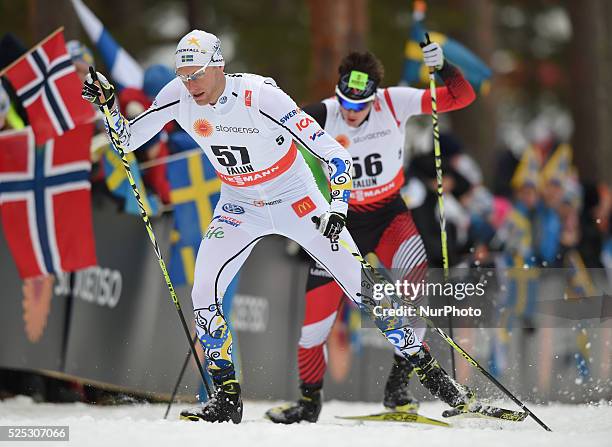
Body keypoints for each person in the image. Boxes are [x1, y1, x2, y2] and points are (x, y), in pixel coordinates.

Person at [82, 29, 477, 424]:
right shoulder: (178, 95)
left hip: (294, 198)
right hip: (239, 204)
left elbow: (334, 154)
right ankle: (226, 396)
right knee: (204, 290)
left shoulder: (260, 96)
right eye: (184, 75)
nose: (191, 84)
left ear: (219, 66)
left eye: (197, 74)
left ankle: (437, 380)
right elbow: (127, 141)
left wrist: (338, 207)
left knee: (365, 291)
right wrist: (111, 107)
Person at [265, 51, 476, 423]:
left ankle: (397, 388)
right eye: (345, 101)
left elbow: (462, 98)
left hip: (389, 216)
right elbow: (270, 131)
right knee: (313, 329)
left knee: (413, 298)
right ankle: (308, 402)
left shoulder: (394, 102)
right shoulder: (323, 113)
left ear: (374, 97)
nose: (350, 112)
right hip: (340, 226)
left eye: (359, 104)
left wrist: (442, 67)